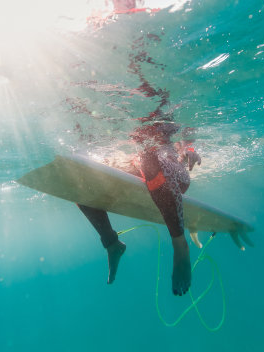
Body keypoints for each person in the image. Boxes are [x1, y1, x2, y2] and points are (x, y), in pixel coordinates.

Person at [78, 122, 201, 296]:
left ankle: (180, 246)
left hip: (174, 178)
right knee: (81, 175)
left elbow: (187, 138)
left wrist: (190, 151)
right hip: (139, 170)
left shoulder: (167, 125)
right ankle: (112, 244)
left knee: (146, 157)